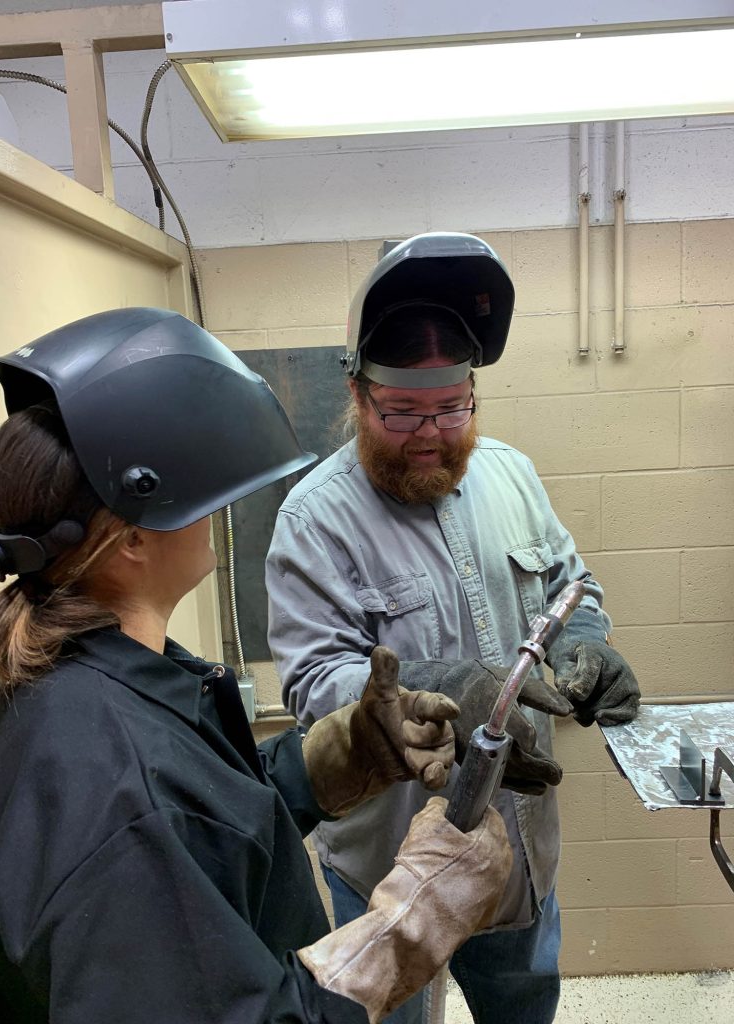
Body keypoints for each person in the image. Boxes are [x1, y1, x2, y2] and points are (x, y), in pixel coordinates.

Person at [0, 307, 514, 1024]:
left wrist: (341, 755)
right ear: (132, 538)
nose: (221, 511)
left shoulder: (95, 672)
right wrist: (413, 919)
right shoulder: (115, 788)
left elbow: (203, 831)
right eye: (207, 495)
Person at [265, 233, 642, 1024]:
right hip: (394, 866)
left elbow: (571, 587)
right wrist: (439, 686)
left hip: (518, 859)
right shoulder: (314, 519)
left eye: (451, 407)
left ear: (474, 393)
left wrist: (587, 642)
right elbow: (312, 685)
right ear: (359, 395)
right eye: (401, 412)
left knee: (523, 1009)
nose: (430, 432)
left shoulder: (510, 472)